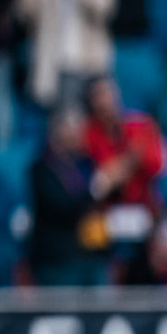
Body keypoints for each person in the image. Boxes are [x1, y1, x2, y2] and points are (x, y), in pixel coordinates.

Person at [14, 0, 115, 110]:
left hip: (91, 64)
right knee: (66, 125)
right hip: (58, 65)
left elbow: (104, 7)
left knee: (95, 121)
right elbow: (23, 11)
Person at [28, 105, 116, 287]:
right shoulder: (41, 169)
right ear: (59, 131)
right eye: (73, 127)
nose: (79, 132)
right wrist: (95, 190)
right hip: (59, 261)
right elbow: (61, 206)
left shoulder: (85, 163)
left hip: (92, 255)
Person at [82, 76, 167, 210]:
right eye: (98, 96)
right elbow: (98, 184)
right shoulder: (88, 133)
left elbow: (158, 165)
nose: (104, 101)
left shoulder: (142, 125)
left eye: (108, 93)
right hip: (106, 209)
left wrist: (114, 172)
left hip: (145, 207)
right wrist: (130, 161)